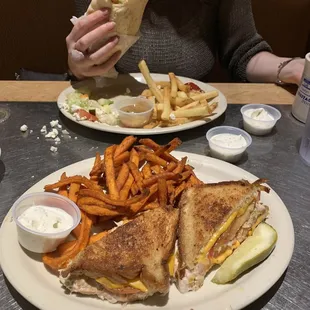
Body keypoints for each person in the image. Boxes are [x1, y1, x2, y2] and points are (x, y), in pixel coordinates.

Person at [67, 0, 305, 85]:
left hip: (195, 121)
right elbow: (89, 62)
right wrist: (78, 66)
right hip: (114, 113)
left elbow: (243, 51)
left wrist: (292, 68)